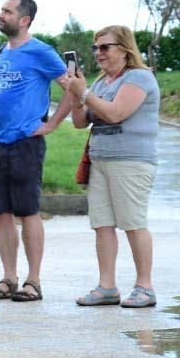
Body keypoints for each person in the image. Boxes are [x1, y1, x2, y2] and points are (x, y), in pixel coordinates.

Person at [0, 0, 74, 302]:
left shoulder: (41, 52)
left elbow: (72, 88)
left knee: (28, 212)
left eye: (7, 11)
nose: (1, 15)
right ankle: (9, 278)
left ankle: (33, 281)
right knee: (1, 214)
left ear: (25, 20)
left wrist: (52, 124)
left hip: (25, 144)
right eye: (1, 10)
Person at [62, 25, 160, 308]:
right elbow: (82, 122)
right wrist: (75, 95)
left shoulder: (139, 77)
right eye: (96, 48)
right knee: (102, 225)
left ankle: (145, 286)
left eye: (106, 47)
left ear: (125, 49)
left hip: (131, 162)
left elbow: (116, 113)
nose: (99, 53)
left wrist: (85, 93)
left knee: (133, 223)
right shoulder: (102, 82)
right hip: (101, 161)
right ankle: (107, 287)